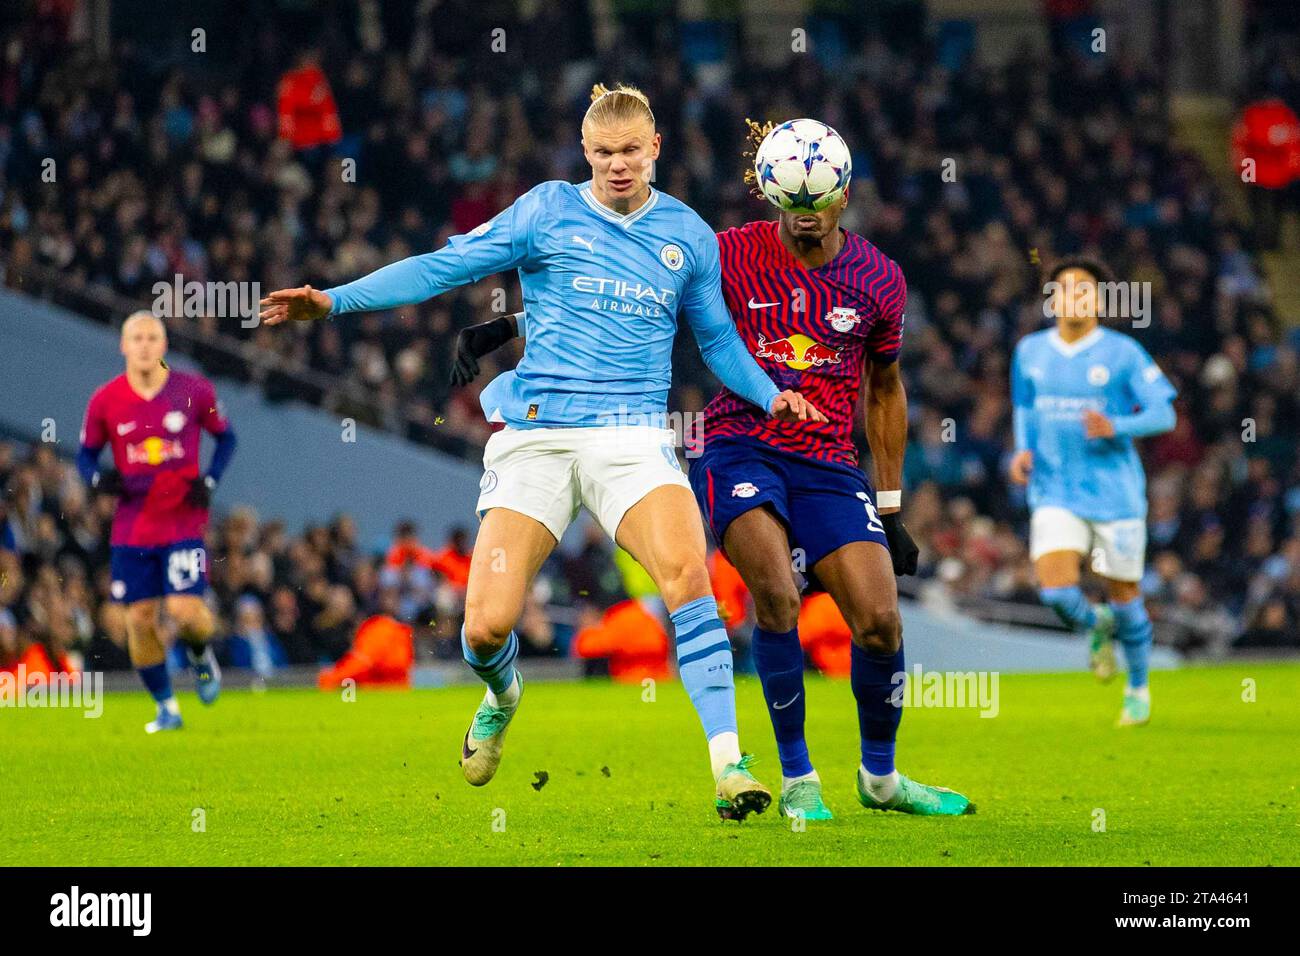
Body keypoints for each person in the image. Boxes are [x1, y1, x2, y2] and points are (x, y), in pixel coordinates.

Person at [260, 84, 825, 820]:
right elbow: (441, 266)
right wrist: (333, 299)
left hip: (633, 439)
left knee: (691, 576)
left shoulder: (687, 235)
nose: (617, 166)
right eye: (603, 153)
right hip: (537, 436)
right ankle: (503, 693)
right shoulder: (546, 211)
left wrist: (769, 392)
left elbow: (717, 340)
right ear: (584, 153)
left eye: (630, 152)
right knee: (484, 629)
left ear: (655, 149)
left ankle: (729, 766)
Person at [457, 118, 973, 820]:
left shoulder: (880, 280)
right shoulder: (729, 251)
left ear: (844, 195)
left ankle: (880, 779)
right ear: (769, 195)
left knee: (881, 621)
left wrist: (888, 503)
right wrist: (509, 324)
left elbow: (886, 389)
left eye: (818, 206)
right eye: (791, 207)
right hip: (740, 444)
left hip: (827, 462)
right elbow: (621, 286)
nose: (806, 220)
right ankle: (797, 780)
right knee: (777, 598)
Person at [1010, 257, 1177, 726]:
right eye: (1064, 289)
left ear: (1100, 299)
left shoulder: (1123, 353)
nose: (1074, 296)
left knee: (1125, 594)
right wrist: (1021, 452)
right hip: (1054, 490)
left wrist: (1117, 424)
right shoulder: (1029, 352)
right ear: (1052, 300)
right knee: (1058, 593)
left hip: (1115, 494)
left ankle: (1138, 687)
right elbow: (1024, 407)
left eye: (1084, 289)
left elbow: (1165, 414)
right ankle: (1096, 624)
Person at [77, 311, 237, 733]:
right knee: (140, 619)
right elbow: (86, 455)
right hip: (132, 526)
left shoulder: (194, 390)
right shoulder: (105, 400)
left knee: (185, 611)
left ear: (164, 346)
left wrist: (210, 480)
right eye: (137, 338)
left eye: (153, 337)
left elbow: (227, 436)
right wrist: (97, 479)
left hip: (182, 520)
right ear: (124, 346)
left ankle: (201, 655)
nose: (145, 345)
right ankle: (167, 707)